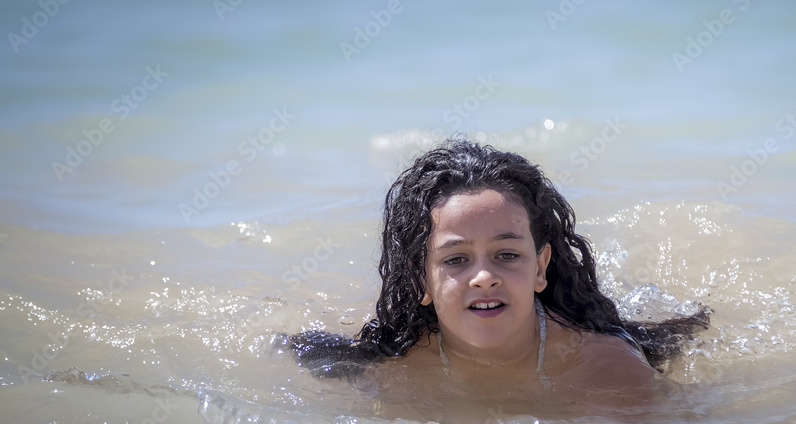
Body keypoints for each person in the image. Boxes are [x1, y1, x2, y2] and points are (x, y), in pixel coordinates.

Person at [279, 139, 708, 406]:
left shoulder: (606, 369)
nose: (483, 276)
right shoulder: (391, 372)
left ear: (541, 268)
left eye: (506, 255)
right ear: (419, 280)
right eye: (456, 259)